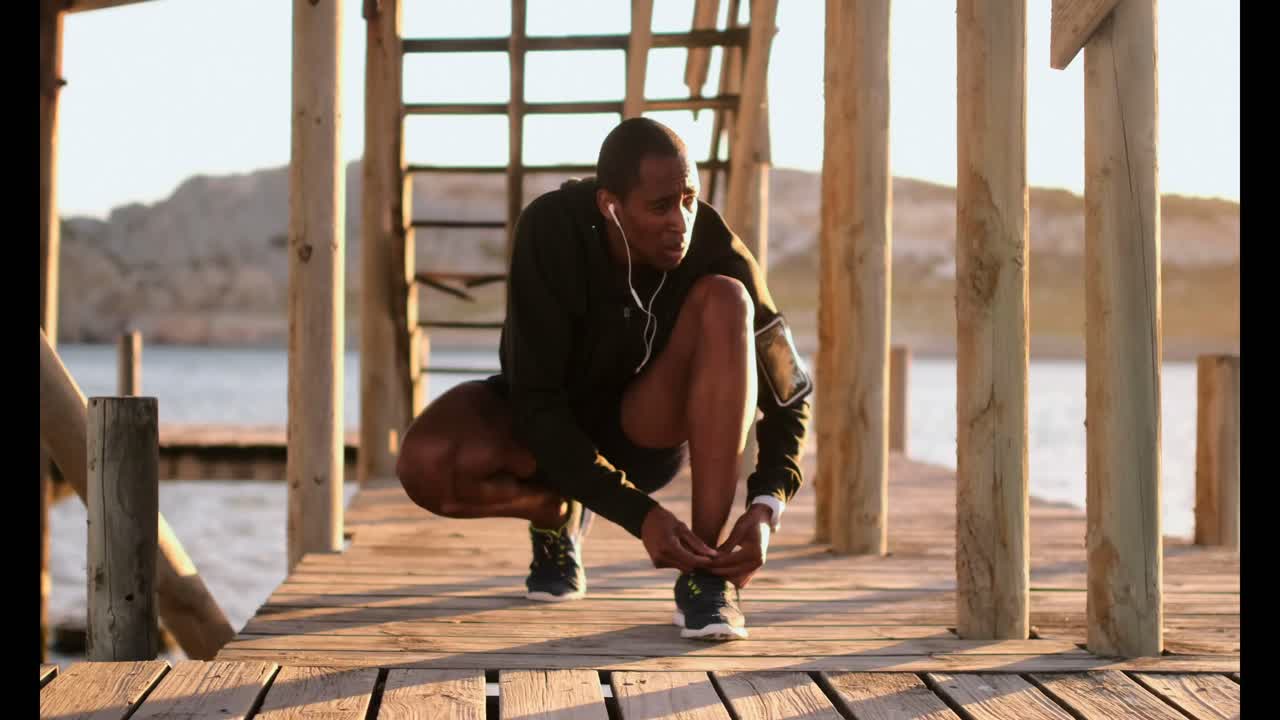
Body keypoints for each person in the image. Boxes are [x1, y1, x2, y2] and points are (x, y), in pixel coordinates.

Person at [395, 117, 812, 641]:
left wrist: (767, 507)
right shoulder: (551, 230)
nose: (680, 221)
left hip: (642, 430)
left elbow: (789, 391)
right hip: (547, 427)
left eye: (688, 198)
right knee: (425, 462)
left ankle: (706, 571)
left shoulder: (713, 245)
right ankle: (554, 511)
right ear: (610, 205)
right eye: (660, 206)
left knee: (728, 297)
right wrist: (640, 516)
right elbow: (536, 400)